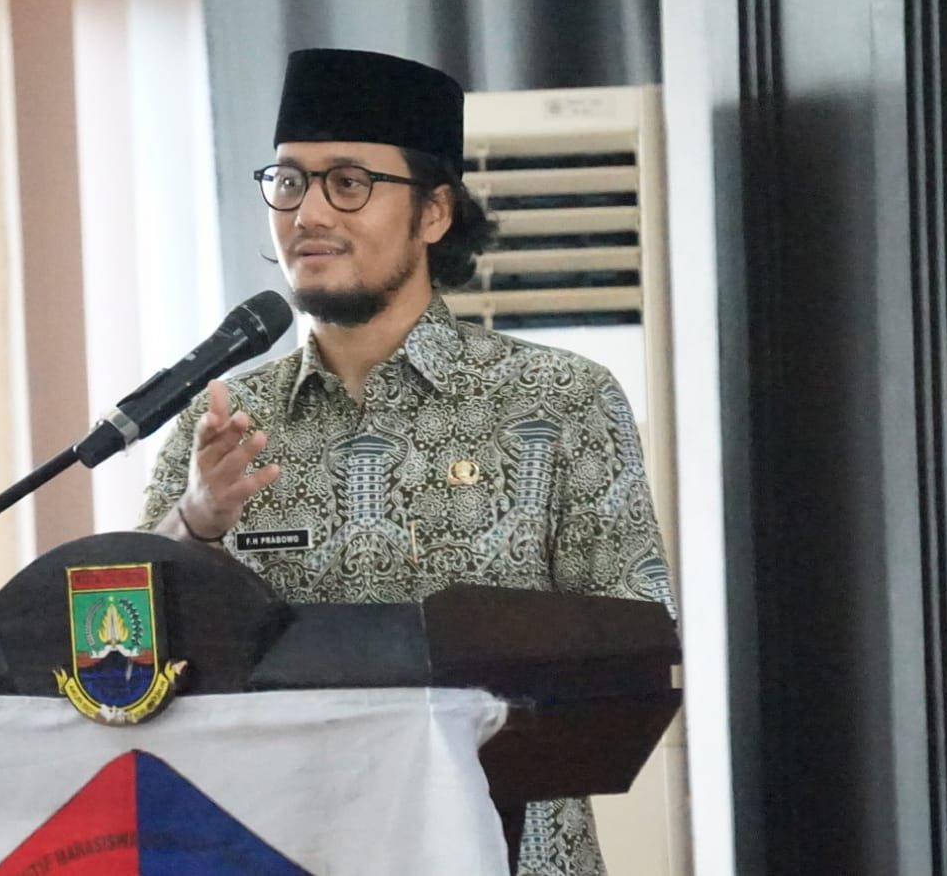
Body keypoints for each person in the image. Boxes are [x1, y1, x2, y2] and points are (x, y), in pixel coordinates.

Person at [142, 47, 674, 876]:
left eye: (349, 182)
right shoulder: (220, 419)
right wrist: (196, 522)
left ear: (433, 212)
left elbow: (636, 643)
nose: (308, 212)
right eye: (290, 181)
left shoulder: (561, 401)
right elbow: (131, 656)